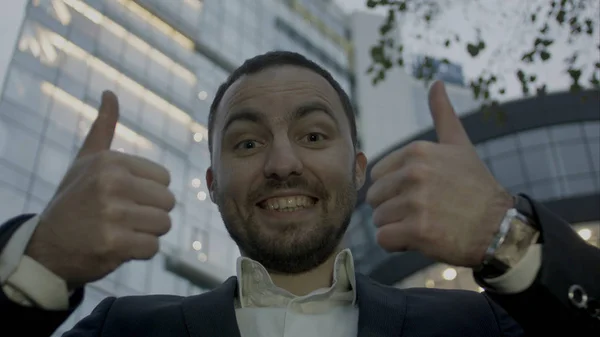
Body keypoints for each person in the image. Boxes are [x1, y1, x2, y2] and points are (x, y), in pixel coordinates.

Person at [0, 51, 598, 337]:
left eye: (313, 134)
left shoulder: (483, 330)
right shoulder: (121, 333)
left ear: (359, 169)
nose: (282, 163)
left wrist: (506, 233)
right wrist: (40, 264)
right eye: (246, 143)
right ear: (211, 185)